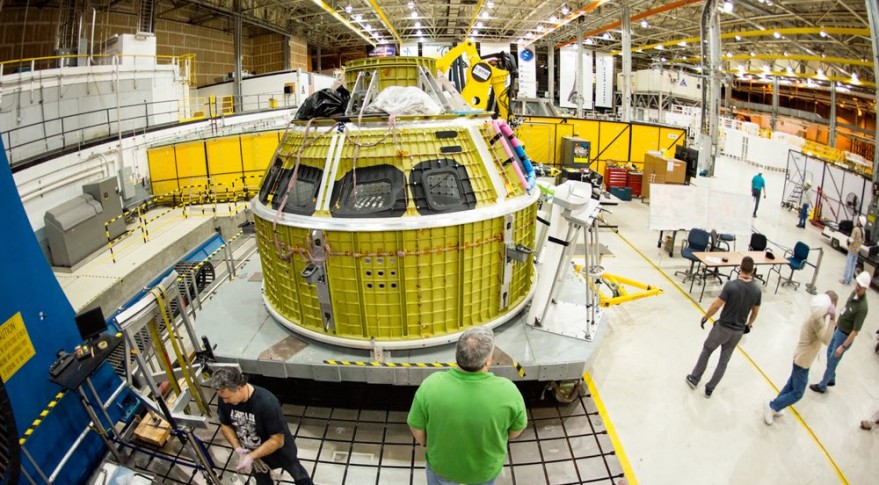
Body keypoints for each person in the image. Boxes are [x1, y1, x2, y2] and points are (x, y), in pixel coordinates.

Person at [407, 326, 527, 485]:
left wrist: (426, 444)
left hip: (442, 468)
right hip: (484, 472)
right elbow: (515, 431)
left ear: (458, 355)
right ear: (487, 361)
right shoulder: (509, 392)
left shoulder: (430, 385)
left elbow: (416, 426)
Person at [210, 367, 313, 485]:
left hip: (280, 452)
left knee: (299, 475)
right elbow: (225, 426)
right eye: (222, 398)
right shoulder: (225, 397)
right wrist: (238, 448)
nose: (224, 402)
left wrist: (251, 457)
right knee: (263, 482)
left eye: (227, 398)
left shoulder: (266, 402)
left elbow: (277, 440)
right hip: (255, 455)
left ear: (239, 388)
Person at [686, 256, 762, 397]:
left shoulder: (731, 286)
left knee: (707, 351)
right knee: (724, 361)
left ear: (740, 268)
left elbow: (716, 305)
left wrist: (706, 317)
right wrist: (748, 325)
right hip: (737, 332)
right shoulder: (757, 291)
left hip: (722, 328)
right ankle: (710, 388)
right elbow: (755, 312)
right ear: (753, 270)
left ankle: (694, 378)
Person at [763, 291, 837, 425]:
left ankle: (776, 406)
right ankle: (772, 406)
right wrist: (833, 319)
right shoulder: (817, 321)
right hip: (802, 361)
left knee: (791, 385)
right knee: (798, 392)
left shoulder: (816, 316)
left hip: (801, 358)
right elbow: (826, 339)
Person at [810, 271, 870, 394]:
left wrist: (843, 347)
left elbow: (855, 331)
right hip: (838, 329)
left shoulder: (863, 308)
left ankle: (822, 386)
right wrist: (837, 322)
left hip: (844, 336)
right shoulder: (854, 293)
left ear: (866, 289)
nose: (857, 288)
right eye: (857, 285)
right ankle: (831, 377)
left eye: (861, 287)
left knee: (832, 360)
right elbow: (846, 308)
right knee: (829, 354)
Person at [841, 215, 865, 285]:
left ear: (860, 222)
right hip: (857, 250)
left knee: (848, 265)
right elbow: (863, 241)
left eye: (858, 220)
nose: (857, 221)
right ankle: (849, 281)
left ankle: (845, 279)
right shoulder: (863, 231)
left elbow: (851, 240)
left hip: (852, 249)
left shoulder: (856, 229)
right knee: (853, 266)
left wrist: (848, 239)